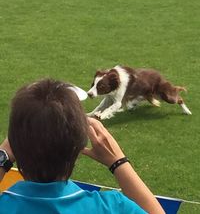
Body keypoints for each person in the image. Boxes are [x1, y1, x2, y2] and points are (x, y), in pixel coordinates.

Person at [0, 78, 165, 214]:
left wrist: (4, 155)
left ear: (15, 144)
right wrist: (118, 162)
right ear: (78, 148)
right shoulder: (112, 208)